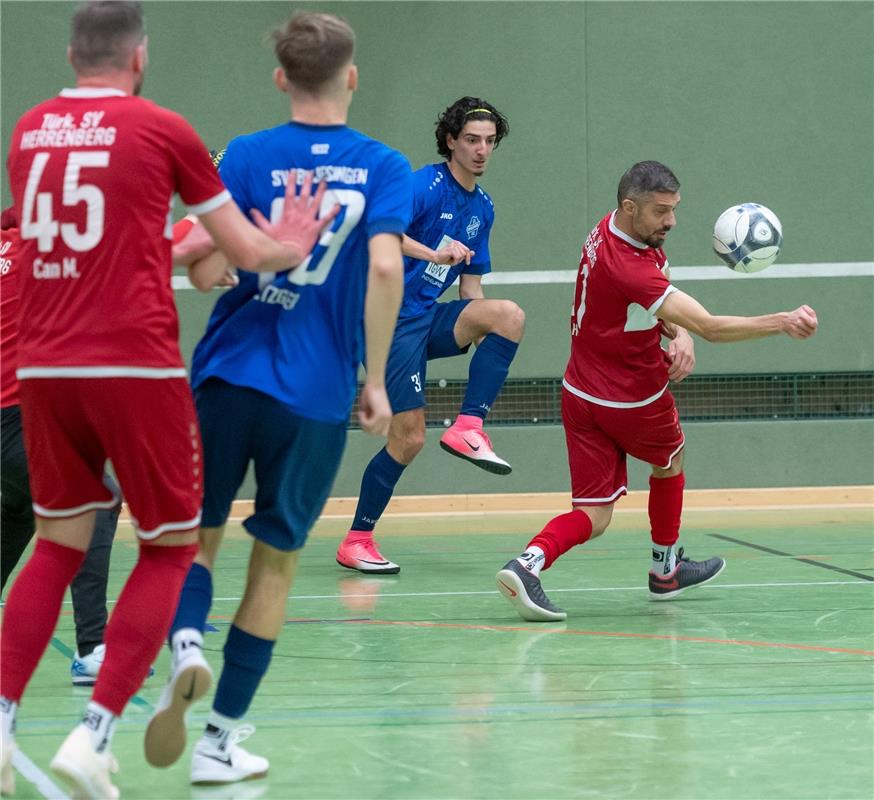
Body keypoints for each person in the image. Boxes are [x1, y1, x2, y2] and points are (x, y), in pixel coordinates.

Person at [0, 2, 335, 797]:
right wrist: (292, 236)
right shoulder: (162, 128)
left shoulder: (30, 134)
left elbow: (122, 246)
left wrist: (189, 238)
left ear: (74, 55)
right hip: (132, 368)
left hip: (44, 372)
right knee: (170, 547)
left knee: (55, 542)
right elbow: (248, 252)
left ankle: (4, 720)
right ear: (140, 57)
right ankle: (95, 733)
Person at [149, 11, 410, 786]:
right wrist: (374, 382)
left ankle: (186, 644)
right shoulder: (383, 165)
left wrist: (223, 266)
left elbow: (196, 258)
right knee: (276, 562)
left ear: (280, 79)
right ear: (352, 77)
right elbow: (389, 271)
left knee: (195, 539)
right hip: (315, 388)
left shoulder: (248, 155)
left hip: (228, 373)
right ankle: (219, 742)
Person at [496, 160, 818, 622]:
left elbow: (639, 306)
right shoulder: (632, 265)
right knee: (670, 461)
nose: (671, 221)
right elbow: (709, 326)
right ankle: (665, 570)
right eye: (661, 211)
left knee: (594, 514)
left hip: (580, 392)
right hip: (632, 397)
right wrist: (781, 322)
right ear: (631, 207)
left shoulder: (609, 231)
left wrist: (675, 333)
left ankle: (527, 564)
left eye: (675, 209)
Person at [336, 96, 525, 575]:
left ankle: (469, 427)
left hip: (426, 317)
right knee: (410, 439)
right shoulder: (421, 184)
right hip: (386, 321)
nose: (481, 150)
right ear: (450, 141)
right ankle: (357, 539)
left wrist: (490, 341)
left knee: (507, 315)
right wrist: (432, 255)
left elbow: (471, 288)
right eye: (471, 140)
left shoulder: (484, 207)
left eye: (489, 142)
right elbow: (382, 232)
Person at [1, 208, 126, 688]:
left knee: (17, 508)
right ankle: (93, 649)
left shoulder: (16, 243)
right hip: (12, 419)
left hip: (15, 422)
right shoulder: (41, 253)